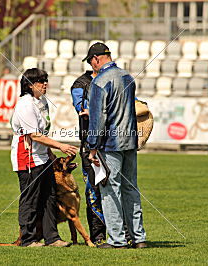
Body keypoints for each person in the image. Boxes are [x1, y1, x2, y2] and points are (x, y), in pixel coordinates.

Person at [84, 43, 148, 249]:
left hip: (110, 144)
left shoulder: (99, 82)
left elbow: (98, 118)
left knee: (110, 191)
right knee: (131, 189)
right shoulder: (127, 77)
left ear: (95, 59)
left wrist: (92, 147)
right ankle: (138, 238)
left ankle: (118, 240)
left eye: (90, 62)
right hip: (130, 141)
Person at [10, 68, 78, 247]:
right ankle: (27, 239)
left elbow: (43, 132)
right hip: (28, 158)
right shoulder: (25, 104)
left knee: (50, 197)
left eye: (45, 80)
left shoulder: (41, 102)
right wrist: (61, 146)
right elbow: (35, 135)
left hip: (43, 157)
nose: (45, 83)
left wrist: (50, 154)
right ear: (30, 85)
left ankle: (52, 238)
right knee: (30, 199)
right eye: (41, 81)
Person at [70, 68, 106, 245]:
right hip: (89, 145)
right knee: (94, 191)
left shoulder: (111, 79)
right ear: (94, 61)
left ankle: (118, 234)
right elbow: (81, 108)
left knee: (114, 190)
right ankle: (98, 235)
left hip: (111, 146)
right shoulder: (80, 84)